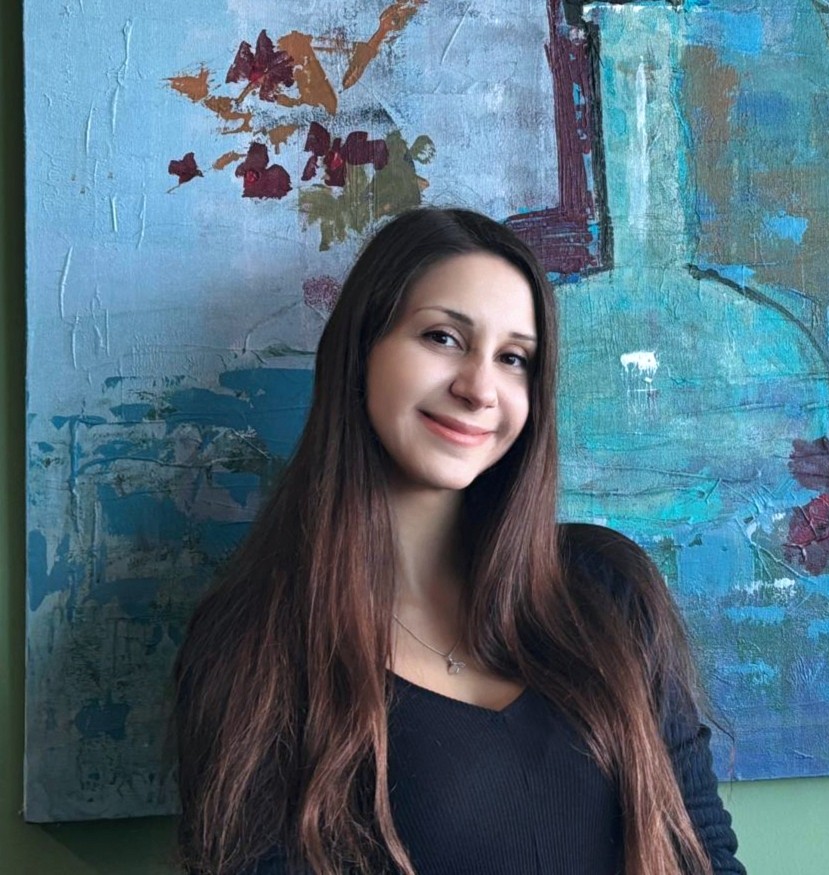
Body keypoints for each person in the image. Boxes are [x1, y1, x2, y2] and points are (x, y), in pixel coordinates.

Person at [173, 207, 746, 875]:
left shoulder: (609, 588)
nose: (479, 388)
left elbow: (703, 853)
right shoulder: (253, 649)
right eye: (443, 337)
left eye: (513, 358)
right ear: (361, 349)